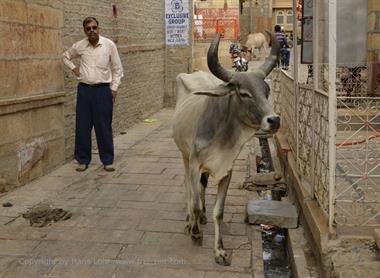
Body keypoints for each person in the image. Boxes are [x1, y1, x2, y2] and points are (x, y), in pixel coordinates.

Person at [63, 17, 124, 172]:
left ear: (99, 28)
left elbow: (118, 69)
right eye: (88, 28)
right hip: (84, 91)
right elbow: (65, 56)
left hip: (103, 91)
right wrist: (73, 68)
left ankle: (107, 160)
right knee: (82, 126)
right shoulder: (80, 46)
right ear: (85, 31)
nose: (91, 31)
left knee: (104, 126)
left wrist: (114, 88)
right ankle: (83, 160)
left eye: (94, 27)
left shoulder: (109, 45)